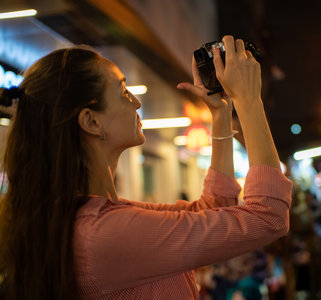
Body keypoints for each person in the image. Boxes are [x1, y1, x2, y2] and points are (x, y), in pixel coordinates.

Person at [0, 35, 292, 299]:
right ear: (91, 121)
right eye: (124, 92)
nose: (137, 102)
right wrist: (250, 102)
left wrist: (221, 114)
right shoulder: (102, 234)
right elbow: (268, 216)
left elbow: (213, 210)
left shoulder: (97, 218)